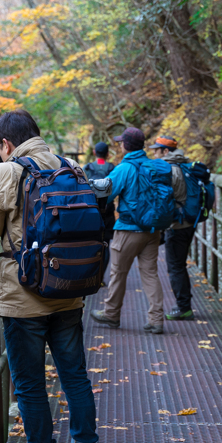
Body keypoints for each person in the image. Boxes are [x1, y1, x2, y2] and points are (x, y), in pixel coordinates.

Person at [0, 109, 99, 443]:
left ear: (5, 144)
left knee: (30, 383)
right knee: (74, 375)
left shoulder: (9, 170)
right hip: (68, 289)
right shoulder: (70, 165)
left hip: (24, 297)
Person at [90, 127, 174, 334]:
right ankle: (156, 320)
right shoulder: (153, 166)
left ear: (126, 145)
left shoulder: (125, 168)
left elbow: (106, 195)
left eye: (121, 142)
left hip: (128, 229)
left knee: (118, 273)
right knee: (150, 274)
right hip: (152, 230)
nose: (119, 145)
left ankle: (111, 314)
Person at [150, 135, 196, 321]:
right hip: (187, 222)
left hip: (177, 225)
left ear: (166, 151)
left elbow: (165, 199)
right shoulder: (184, 165)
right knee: (180, 264)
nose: (153, 153)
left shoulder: (170, 169)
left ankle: (184, 307)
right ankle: (184, 304)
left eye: (156, 150)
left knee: (175, 266)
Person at [84, 142, 116, 284]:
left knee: (90, 243)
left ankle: (92, 276)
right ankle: (101, 278)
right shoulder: (112, 168)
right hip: (107, 213)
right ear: (108, 153)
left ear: (94, 152)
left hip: (91, 211)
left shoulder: (87, 168)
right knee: (106, 244)